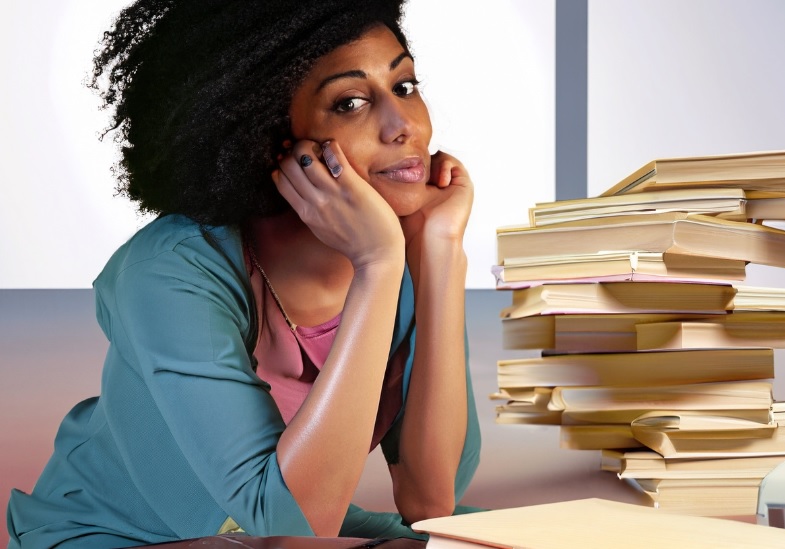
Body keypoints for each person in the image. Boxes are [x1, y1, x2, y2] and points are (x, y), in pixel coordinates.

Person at [6, 0, 481, 547]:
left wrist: (439, 252)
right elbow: (293, 529)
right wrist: (377, 265)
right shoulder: (170, 274)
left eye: (403, 86)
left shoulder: (401, 259)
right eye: (350, 102)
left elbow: (431, 502)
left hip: (274, 524)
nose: (404, 127)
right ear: (274, 139)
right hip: (116, 535)